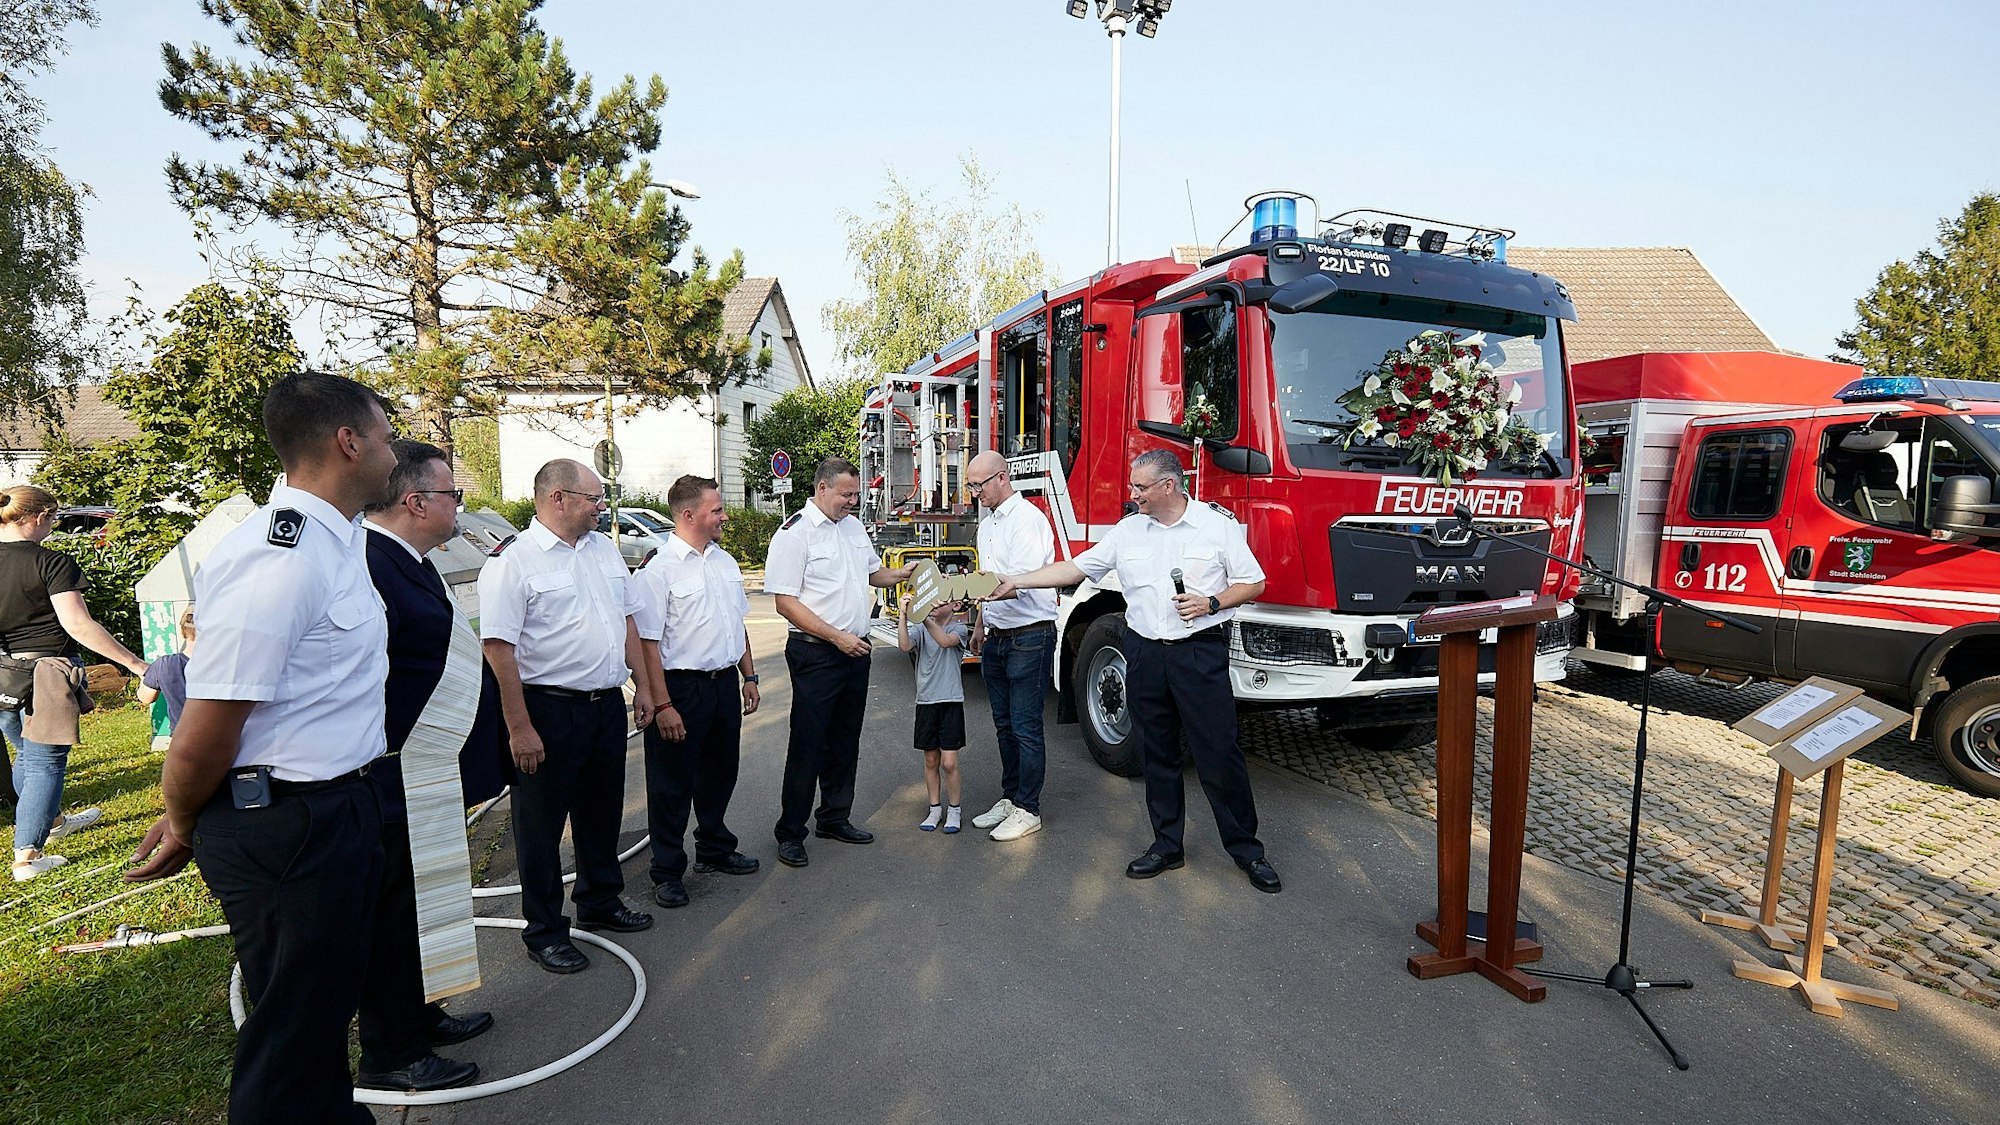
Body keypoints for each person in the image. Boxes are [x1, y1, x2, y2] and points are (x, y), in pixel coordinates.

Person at [125, 371, 400, 1124]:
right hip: (289, 829)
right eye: (382, 435)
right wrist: (182, 820)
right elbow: (202, 735)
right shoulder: (281, 556)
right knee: (289, 1048)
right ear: (348, 442)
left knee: (316, 1027)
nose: (391, 453)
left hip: (335, 810)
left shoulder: (337, 542)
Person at [991, 449, 1281, 893]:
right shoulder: (1128, 532)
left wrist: (1212, 602)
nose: (1133, 495)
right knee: (1157, 755)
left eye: (1140, 487)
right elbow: (1076, 567)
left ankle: (1247, 851)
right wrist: (1019, 580)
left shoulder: (1215, 527)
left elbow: (1254, 581)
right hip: (1144, 652)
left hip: (1198, 654)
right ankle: (1167, 846)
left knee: (1218, 755)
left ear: (1170, 485)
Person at [354, 439, 505, 1091]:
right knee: (389, 917)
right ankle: (392, 1053)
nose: (458, 507)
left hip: (421, 771)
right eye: (452, 495)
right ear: (416, 501)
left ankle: (420, 1013)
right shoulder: (366, 562)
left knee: (421, 904)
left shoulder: (406, 559)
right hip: (386, 773)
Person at [478, 459, 656, 974]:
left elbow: (626, 618)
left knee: (601, 812)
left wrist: (642, 685)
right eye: (593, 499)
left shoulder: (602, 550)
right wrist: (519, 727)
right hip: (547, 710)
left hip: (604, 705)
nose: (602, 507)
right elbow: (499, 648)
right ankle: (545, 932)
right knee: (540, 826)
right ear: (558, 498)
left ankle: (599, 900)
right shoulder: (514, 561)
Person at [764, 457, 912, 869]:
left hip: (855, 651)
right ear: (822, 489)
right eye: (846, 494)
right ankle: (791, 832)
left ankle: (834, 817)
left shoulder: (852, 527)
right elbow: (785, 602)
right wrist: (837, 638)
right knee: (808, 744)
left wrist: (900, 576)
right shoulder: (795, 534)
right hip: (817, 652)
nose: (853, 501)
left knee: (845, 740)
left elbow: (871, 574)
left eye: (856, 494)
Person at [0, 485, 149, 881]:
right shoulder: (51, 562)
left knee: (24, 756)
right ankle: (27, 856)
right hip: (47, 672)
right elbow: (78, 624)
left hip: (2, 673)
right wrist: (135, 664)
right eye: (52, 518)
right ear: (37, 517)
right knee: (45, 761)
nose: (52, 526)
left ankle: (53, 821)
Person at [631, 475, 761, 911]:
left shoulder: (723, 562)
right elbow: (648, 643)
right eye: (717, 509)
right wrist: (662, 703)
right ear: (689, 515)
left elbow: (737, 624)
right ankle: (666, 872)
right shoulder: (658, 569)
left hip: (723, 684)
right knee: (671, 785)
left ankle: (714, 848)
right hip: (680, 689)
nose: (725, 515)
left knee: (720, 772)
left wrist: (749, 676)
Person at [963, 450, 1058, 843]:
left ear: (1001, 478)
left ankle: (1028, 808)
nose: (973, 494)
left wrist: (966, 593)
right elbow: (990, 582)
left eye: (977, 485)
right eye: (970, 486)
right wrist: (980, 623)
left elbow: (1018, 581)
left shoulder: (1029, 521)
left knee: (1025, 727)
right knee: (1004, 726)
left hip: (1029, 636)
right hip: (998, 637)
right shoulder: (987, 525)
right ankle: (1011, 797)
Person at [897, 592, 968, 833]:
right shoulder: (919, 628)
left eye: (941, 600)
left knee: (949, 762)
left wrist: (924, 618)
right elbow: (904, 645)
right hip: (925, 701)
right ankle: (935, 809)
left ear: (956, 605)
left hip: (950, 701)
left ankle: (955, 810)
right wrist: (905, 614)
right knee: (930, 760)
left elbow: (945, 642)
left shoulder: (959, 629)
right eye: (931, 599)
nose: (934, 604)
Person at [136, 606, 196, 729]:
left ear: (182, 632)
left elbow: (145, 698)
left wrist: (143, 680)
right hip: (222, 736)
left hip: (182, 736)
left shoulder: (165, 664)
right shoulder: (223, 665)